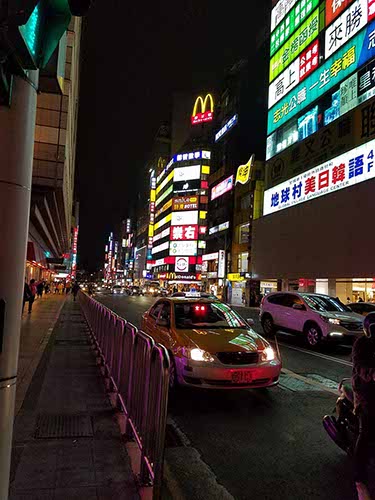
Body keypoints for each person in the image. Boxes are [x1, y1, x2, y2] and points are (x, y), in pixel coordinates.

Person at [352, 312, 375, 500]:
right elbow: (361, 367)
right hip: (365, 393)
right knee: (366, 433)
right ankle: (360, 482)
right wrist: (371, 374)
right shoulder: (362, 344)